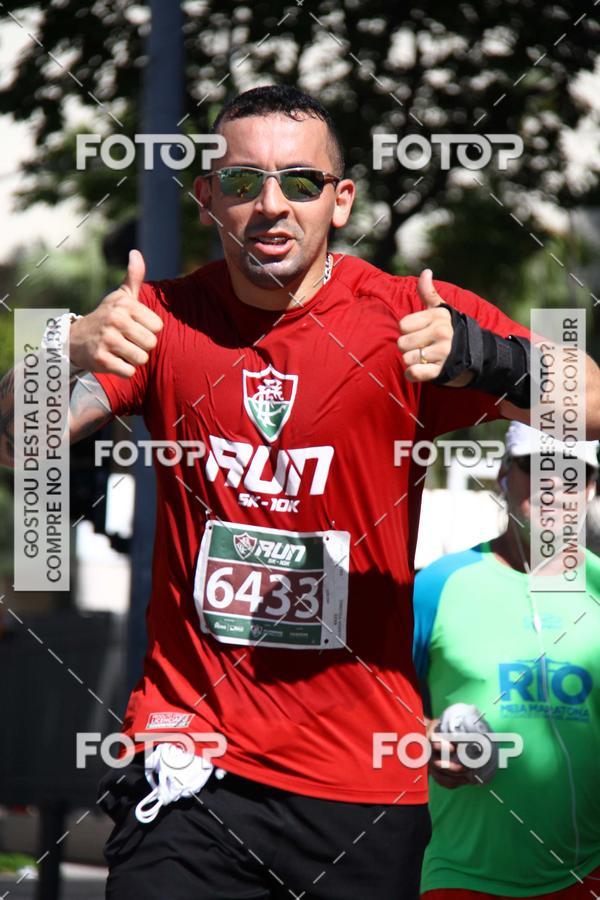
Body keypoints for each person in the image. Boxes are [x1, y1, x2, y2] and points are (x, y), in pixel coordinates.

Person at [1, 84, 599, 899]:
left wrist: (480, 356)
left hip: (360, 782)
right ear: (207, 198)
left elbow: (590, 402)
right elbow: (17, 445)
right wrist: (63, 346)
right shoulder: (160, 320)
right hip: (190, 762)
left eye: (301, 182)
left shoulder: (406, 317)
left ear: (340, 200)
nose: (272, 205)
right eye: (243, 182)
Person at [413, 421, 600, 899]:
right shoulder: (438, 584)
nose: (555, 486)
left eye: (573, 473)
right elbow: (381, 701)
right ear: (503, 475)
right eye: (536, 467)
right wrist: (428, 739)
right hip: (462, 874)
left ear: (592, 488)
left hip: (589, 872)